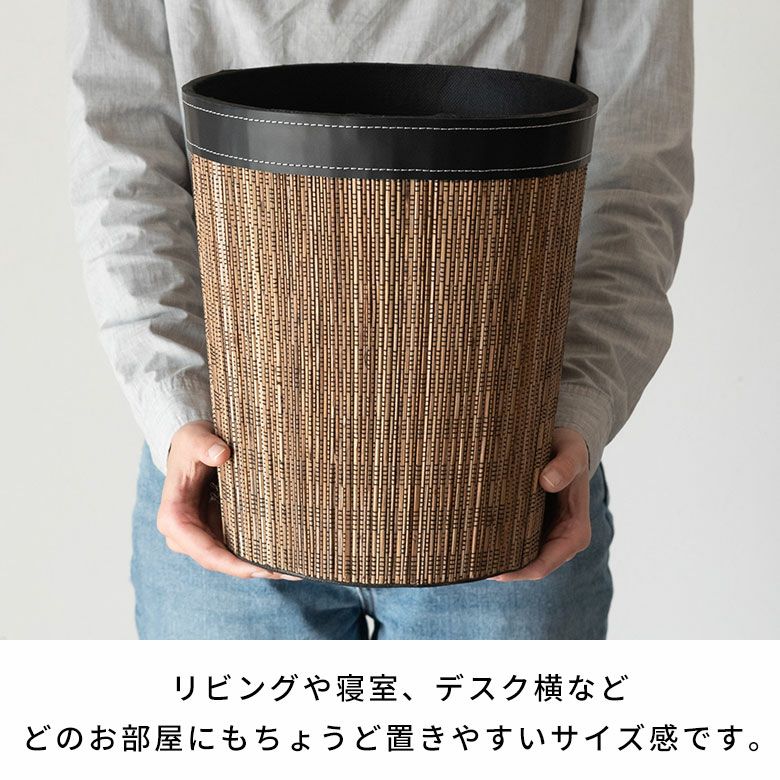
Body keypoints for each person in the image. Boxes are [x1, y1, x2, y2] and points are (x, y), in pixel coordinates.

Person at [67, 1, 694, 639]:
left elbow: (633, 177)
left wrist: (583, 408)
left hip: (503, 475)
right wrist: (172, 405)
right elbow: (123, 154)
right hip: (226, 469)